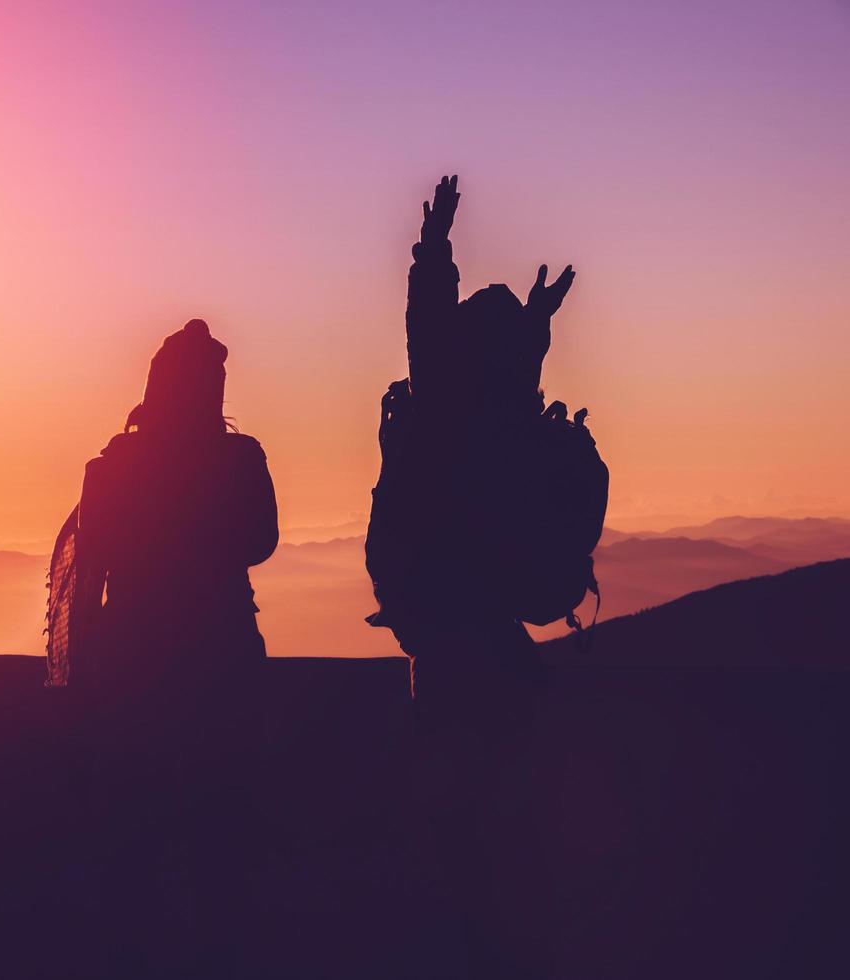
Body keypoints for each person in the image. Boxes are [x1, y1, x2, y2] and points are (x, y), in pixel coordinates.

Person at [369, 175, 587, 978]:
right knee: (514, 830)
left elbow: (430, 330)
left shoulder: (447, 406)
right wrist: (536, 318)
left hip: (448, 646)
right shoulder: (503, 414)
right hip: (504, 644)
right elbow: (507, 359)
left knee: (456, 834)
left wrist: (434, 245)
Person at [57, 318, 278, 975]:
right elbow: (260, 542)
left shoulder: (112, 467)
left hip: (131, 666)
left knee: (132, 838)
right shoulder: (241, 459)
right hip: (222, 661)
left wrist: (78, 680)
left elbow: (86, 572)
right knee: (221, 836)